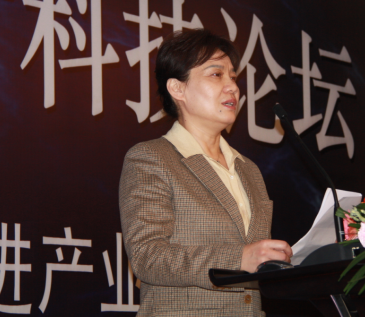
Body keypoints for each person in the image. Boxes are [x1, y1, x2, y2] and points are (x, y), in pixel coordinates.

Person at [119, 29, 292, 317]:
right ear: (178, 89)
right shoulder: (152, 158)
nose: (232, 87)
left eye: (233, 77)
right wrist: (238, 258)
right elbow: (146, 256)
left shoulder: (248, 169)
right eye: (216, 74)